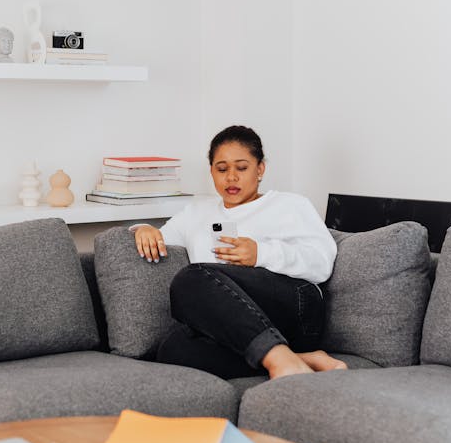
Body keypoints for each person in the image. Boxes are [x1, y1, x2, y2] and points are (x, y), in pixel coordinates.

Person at [133, 125, 347, 380]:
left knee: (191, 278)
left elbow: (322, 263)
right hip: (238, 326)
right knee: (172, 349)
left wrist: (261, 254)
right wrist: (141, 228)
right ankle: (295, 359)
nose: (231, 177)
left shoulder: (289, 205)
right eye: (222, 169)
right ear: (211, 171)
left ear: (260, 169)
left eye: (242, 168)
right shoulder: (197, 213)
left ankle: (280, 358)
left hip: (296, 309)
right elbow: (160, 237)